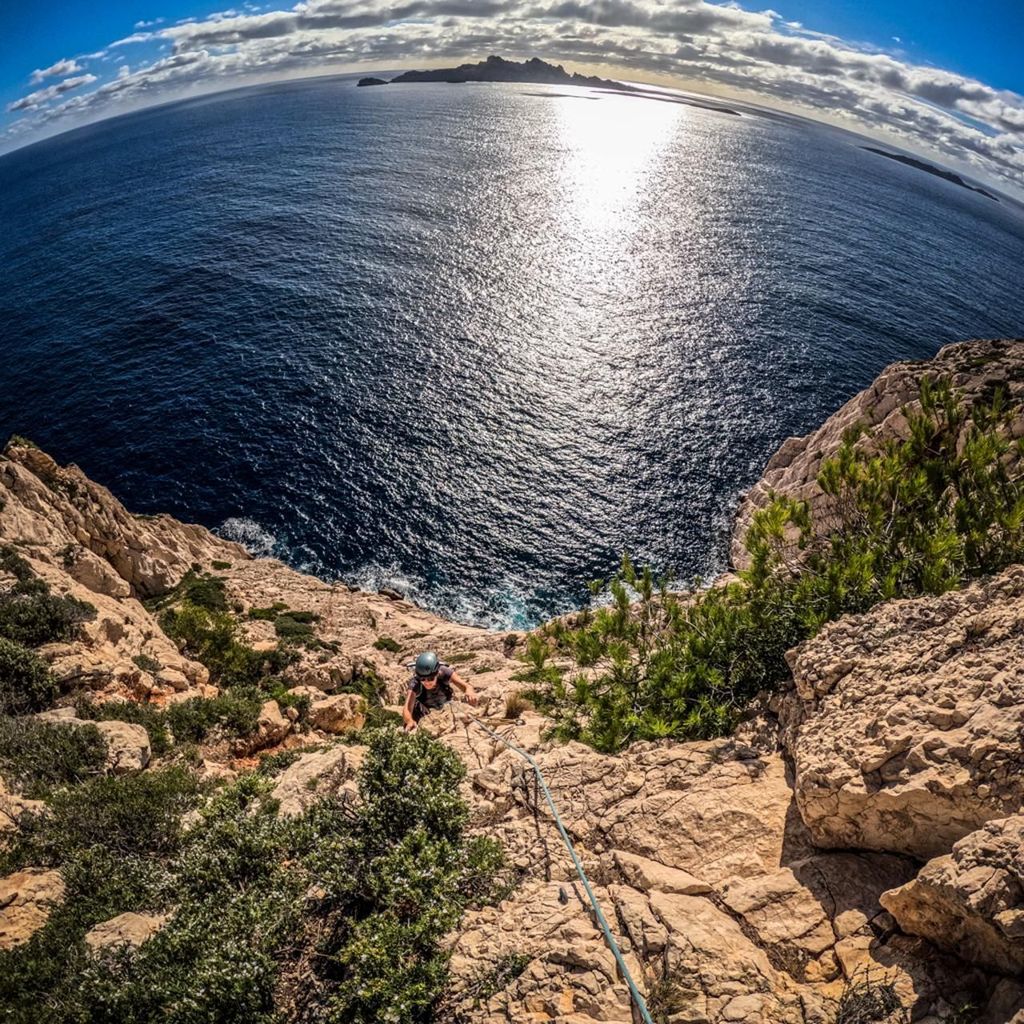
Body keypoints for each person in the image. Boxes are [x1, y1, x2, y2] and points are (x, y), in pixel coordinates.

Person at [403, 650, 478, 731]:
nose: (427, 682)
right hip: (425, 712)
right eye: (422, 679)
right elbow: (407, 708)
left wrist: (469, 691)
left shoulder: (445, 672)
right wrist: (409, 720)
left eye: (431, 678)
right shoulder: (415, 683)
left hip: (446, 707)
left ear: (437, 673)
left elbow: (466, 686)